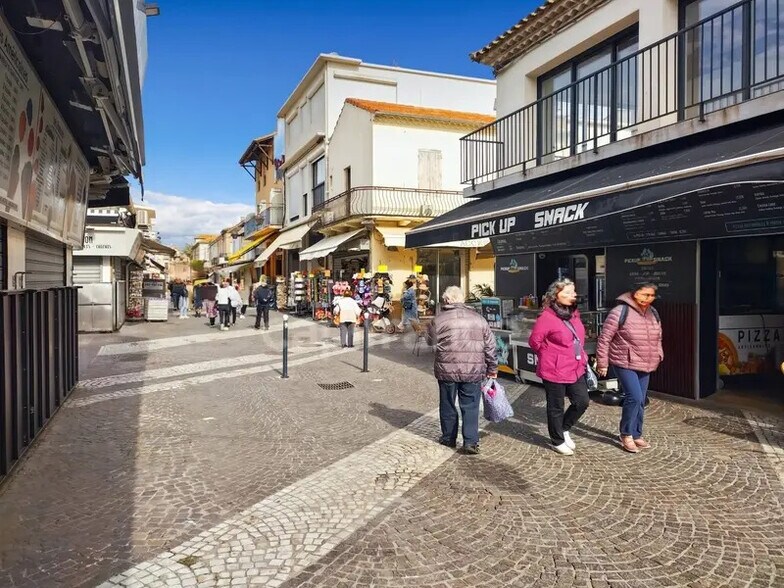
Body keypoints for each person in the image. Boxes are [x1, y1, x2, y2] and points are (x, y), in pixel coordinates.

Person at [427, 285, 497, 455]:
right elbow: (490, 346)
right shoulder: (478, 319)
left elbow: (430, 341)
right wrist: (492, 367)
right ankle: (471, 442)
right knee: (471, 406)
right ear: (462, 300)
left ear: (447, 300)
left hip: (447, 369)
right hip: (473, 369)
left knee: (447, 404)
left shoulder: (439, 319)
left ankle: (448, 438)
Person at [597, 283, 663, 453]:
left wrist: (659, 353)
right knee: (633, 397)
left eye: (651, 295)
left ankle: (636, 433)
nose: (647, 298)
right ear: (634, 294)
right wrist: (603, 363)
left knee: (641, 399)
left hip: (646, 362)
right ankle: (626, 434)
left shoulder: (653, 312)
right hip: (624, 362)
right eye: (644, 294)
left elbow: (658, 336)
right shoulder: (620, 312)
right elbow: (604, 339)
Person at [528, 278, 590, 456]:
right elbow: (534, 342)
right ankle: (557, 440)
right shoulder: (547, 317)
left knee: (582, 401)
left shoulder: (574, 314)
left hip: (575, 366)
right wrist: (549, 354)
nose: (573, 295)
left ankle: (564, 428)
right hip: (554, 368)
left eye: (574, 292)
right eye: (568, 292)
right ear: (556, 295)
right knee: (556, 406)